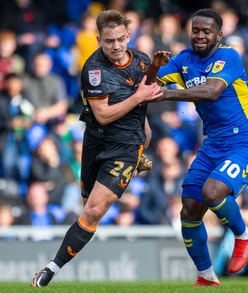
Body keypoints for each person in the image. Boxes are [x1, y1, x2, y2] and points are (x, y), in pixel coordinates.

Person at [30, 9, 168, 287]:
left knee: (93, 211)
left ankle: (51, 269)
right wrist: (140, 96)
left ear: (129, 35)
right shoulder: (93, 70)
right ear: (98, 40)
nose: (115, 46)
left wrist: (153, 72)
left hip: (127, 147)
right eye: (108, 41)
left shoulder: (141, 60)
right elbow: (104, 114)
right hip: (96, 143)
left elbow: (148, 88)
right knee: (86, 209)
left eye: (120, 39)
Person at [140, 8, 248, 286]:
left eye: (206, 31)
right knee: (189, 209)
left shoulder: (228, 55)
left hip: (244, 140)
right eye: (195, 30)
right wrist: (154, 67)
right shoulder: (183, 60)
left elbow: (211, 91)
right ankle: (206, 276)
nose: (199, 35)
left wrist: (167, 95)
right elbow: (148, 86)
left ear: (219, 35)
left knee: (212, 192)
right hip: (213, 143)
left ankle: (243, 235)